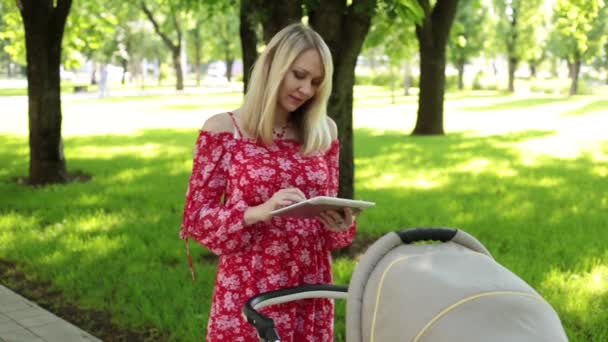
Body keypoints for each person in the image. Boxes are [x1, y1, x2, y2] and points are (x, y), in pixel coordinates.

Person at [179, 23, 357, 341]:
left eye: (316, 82)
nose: (306, 90)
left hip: (309, 282)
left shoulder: (324, 131)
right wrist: (258, 212)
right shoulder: (224, 130)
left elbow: (328, 219)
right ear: (273, 67)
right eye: (299, 75)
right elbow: (196, 218)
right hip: (249, 283)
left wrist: (338, 225)